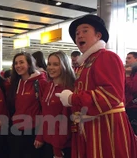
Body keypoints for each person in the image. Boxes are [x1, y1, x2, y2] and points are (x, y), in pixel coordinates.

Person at [55, 14, 137, 157]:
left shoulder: (107, 57)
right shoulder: (85, 63)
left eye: (85, 31)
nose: (79, 35)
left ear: (98, 35)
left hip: (106, 128)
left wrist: (72, 99)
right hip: (90, 127)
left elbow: (111, 95)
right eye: (77, 33)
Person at [7, 52, 47, 158]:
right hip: (16, 131)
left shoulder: (40, 82)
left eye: (21, 62)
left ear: (29, 64)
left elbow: (45, 111)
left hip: (33, 131)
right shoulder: (15, 83)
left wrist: (40, 136)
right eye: (16, 63)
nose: (18, 66)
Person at [40, 51, 75, 158]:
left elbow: (66, 120)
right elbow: (44, 114)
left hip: (63, 145)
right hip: (48, 140)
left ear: (64, 66)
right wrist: (40, 136)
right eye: (49, 64)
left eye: (55, 64)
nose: (51, 67)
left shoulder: (69, 89)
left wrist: (57, 147)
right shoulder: (48, 85)